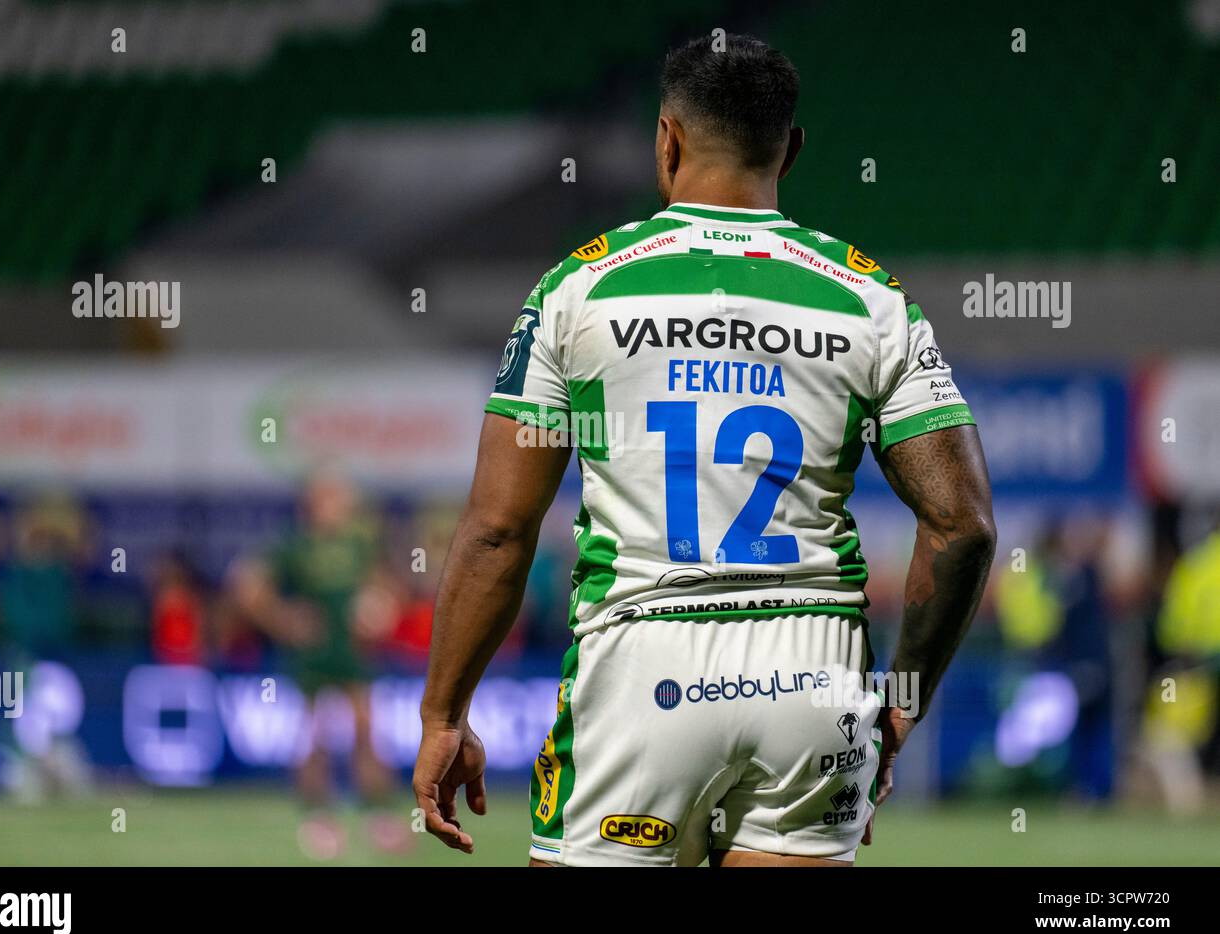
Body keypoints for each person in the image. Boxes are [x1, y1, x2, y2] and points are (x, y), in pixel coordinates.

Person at [414, 34, 996, 866]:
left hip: (640, 670)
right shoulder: (871, 298)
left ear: (667, 139)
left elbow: (499, 532)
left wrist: (445, 715)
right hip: (813, 674)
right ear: (791, 149)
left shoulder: (580, 288)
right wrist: (901, 701)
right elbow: (964, 524)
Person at [231, 470, 403, 853]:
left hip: (352, 651)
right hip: (313, 654)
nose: (339, 506)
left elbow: (386, 588)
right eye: (332, 497)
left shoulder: (359, 544)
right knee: (313, 736)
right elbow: (247, 585)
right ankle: (318, 817)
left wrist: (379, 609)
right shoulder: (295, 546)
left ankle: (380, 816)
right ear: (313, 503)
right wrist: (284, 620)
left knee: (366, 732)